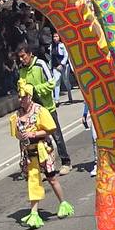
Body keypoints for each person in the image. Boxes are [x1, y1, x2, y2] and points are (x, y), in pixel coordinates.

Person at [10, 83, 73, 229]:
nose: (20, 100)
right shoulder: (17, 115)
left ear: (30, 97)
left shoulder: (40, 110)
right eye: (19, 97)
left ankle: (63, 203)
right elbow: (16, 134)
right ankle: (34, 213)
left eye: (23, 97)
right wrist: (22, 135)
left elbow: (50, 129)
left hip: (43, 150)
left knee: (51, 179)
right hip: (29, 152)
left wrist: (34, 134)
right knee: (33, 181)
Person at [16, 43, 69, 172]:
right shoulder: (22, 70)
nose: (22, 59)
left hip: (46, 107)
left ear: (30, 54)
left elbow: (52, 83)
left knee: (56, 135)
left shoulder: (40, 64)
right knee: (38, 139)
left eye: (23, 56)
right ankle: (45, 166)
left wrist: (35, 90)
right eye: (19, 57)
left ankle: (66, 161)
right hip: (32, 111)